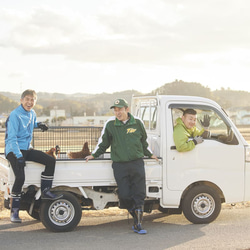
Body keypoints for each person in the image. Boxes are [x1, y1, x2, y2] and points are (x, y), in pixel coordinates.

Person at [85, 98, 158, 234]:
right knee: (124, 195)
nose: (117, 112)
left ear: (127, 109)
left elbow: (144, 142)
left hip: (137, 163)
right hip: (120, 165)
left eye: (120, 109)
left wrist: (149, 154)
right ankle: (135, 216)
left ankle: (138, 224)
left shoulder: (137, 123)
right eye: (115, 110)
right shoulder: (111, 124)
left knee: (139, 193)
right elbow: (104, 143)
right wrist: (94, 155)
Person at [5, 89, 63, 223]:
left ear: (35, 102)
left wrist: (38, 124)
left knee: (50, 161)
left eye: (32, 100)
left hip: (27, 148)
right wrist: (19, 156)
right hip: (13, 150)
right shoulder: (15, 115)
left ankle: (46, 191)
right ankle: (14, 213)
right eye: (27, 99)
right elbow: (12, 138)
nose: (29, 102)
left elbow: (29, 125)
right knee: (20, 177)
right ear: (21, 100)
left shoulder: (32, 113)